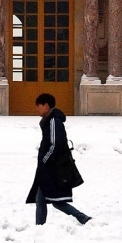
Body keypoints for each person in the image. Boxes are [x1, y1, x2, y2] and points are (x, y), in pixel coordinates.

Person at [25, 93, 90, 226]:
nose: (37, 109)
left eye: (38, 106)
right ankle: (39, 227)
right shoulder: (49, 121)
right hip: (49, 168)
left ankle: (83, 218)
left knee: (57, 201)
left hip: (53, 169)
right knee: (43, 199)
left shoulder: (54, 121)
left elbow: (55, 144)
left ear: (46, 106)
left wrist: (45, 160)